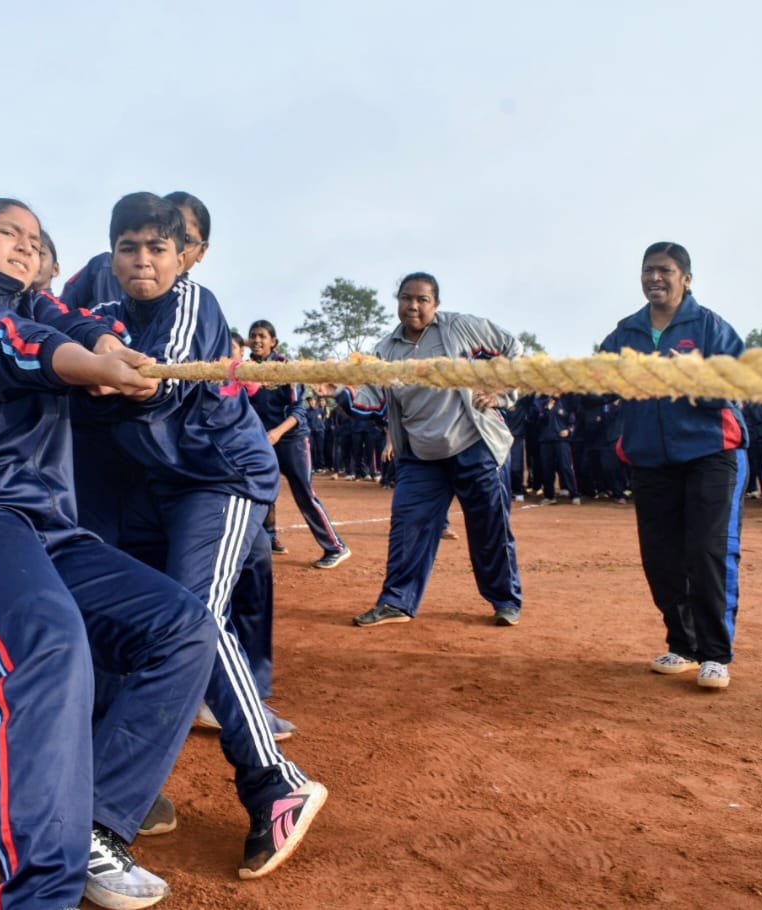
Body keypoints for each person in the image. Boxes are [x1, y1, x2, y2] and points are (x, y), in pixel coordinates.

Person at [0, 197, 218, 909]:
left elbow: (82, 327)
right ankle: (39, 893)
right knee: (48, 641)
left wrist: (112, 355)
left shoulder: (45, 307)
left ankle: (97, 826)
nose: (24, 245)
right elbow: (22, 346)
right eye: (8, 232)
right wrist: (86, 360)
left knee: (184, 626)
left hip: (49, 527)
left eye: (35, 238)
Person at [64, 191, 326, 880]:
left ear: (184, 256)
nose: (142, 260)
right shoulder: (107, 316)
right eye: (128, 247)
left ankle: (274, 781)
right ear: (110, 255)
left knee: (193, 620)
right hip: (160, 486)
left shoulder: (194, 304)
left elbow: (161, 383)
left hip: (223, 478)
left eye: (157, 247)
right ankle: (128, 780)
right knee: (143, 623)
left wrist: (110, 373)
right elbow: (79, 347)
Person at [319, 271, 524, 627]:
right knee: (408, 527)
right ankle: (397, 601)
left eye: (422, 299)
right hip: (420, 454)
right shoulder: (385, 351)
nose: (413, 306)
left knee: (489, 529)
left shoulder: (460, 327)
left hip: (473, 445)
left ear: (436, 304)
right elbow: (374, 398)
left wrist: (502, 391)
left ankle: (505, 600)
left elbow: (513, 347)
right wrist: (340, 391)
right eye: (405, 298)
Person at [598, 242, 747, 690]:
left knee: (706, 552)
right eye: (647, 271)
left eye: (664, 270)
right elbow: (597, 382)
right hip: (649, 459)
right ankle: (682, 644)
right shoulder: (626, 332)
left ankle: (716, 653)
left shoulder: (711, 327)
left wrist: (695, 377)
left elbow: (738, 387)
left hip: (710, 455)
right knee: (661, 558)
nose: (654, 278)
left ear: (686, 278)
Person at [247, 319, 351, 569]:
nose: (257, 340)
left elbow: (298, 409)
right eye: (253, 336)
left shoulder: (287, 369)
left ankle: (335, 546)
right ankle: (269, 539)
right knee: (262, 491)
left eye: (262, 336)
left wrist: (277, 433)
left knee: (304, 493)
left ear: (273, 342)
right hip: (263, 439)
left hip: (291, 439)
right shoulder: (245, 369)